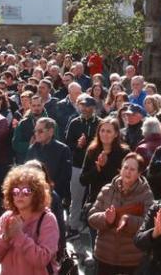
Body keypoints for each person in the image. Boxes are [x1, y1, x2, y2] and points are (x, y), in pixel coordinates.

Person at [0, 164, 60, 274]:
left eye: (26, 191)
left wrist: (19, 236)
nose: (20, 195)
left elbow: (42, 260)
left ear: (37, 194)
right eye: (15, 191)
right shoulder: (6, 217)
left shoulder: (47, 219)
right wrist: (5, 238)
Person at [88, 152, 154, 275]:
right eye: (125, 168)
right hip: (104, 256)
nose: (128, 172)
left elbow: (149, 223)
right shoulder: (107, 190)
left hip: (131, 260)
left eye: (132, 169)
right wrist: (106, 219)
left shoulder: (146, 194)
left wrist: (128, 220)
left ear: (139, 173)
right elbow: (91, 217)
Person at [64, 95, 100, 234]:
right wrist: (78, 145)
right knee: (76, 197)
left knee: (95, 197)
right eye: (82, 106)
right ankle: (73, 226)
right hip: (78, 165)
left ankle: (92, 224)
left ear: (93, 107)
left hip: (95, 167)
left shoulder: (100, 123)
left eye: (87, 106)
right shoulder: (74, 122)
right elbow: (68, 143)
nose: (84, 109)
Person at [79, 116, 128, 207]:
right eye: (102, 130)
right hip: (95, 200)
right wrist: (97, 168)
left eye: (109, 131)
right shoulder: (92, 151)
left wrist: (106, 165)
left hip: (116, 201)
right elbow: (83, 180)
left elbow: (124, 178)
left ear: (116, 134)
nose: (105, 134)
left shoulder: (124, 152)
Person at [26, 117, 72, 211]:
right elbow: (26, 171)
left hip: (53, 196)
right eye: (35, 131)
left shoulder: (63, 149)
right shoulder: (32, 148)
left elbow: (65, 176)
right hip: (34, 194)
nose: (36, 134)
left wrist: (52, 192)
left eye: (40, 131)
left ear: (51, 131)